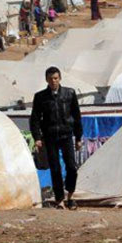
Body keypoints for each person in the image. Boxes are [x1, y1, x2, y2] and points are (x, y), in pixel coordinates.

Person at [29, 66, 82, 209]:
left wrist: (78, 138)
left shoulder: (69, 94)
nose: (53, 81)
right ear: (46, 79)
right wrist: (37, 138)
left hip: (66, 135)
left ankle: (70, 196)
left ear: (60, 79)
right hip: (50, 136)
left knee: (72, 167)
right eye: (51, 79)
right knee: (55, 169)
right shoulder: (40, 97)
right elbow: (35, 119)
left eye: (56, 78)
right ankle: (60, 200)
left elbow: (77, 116)